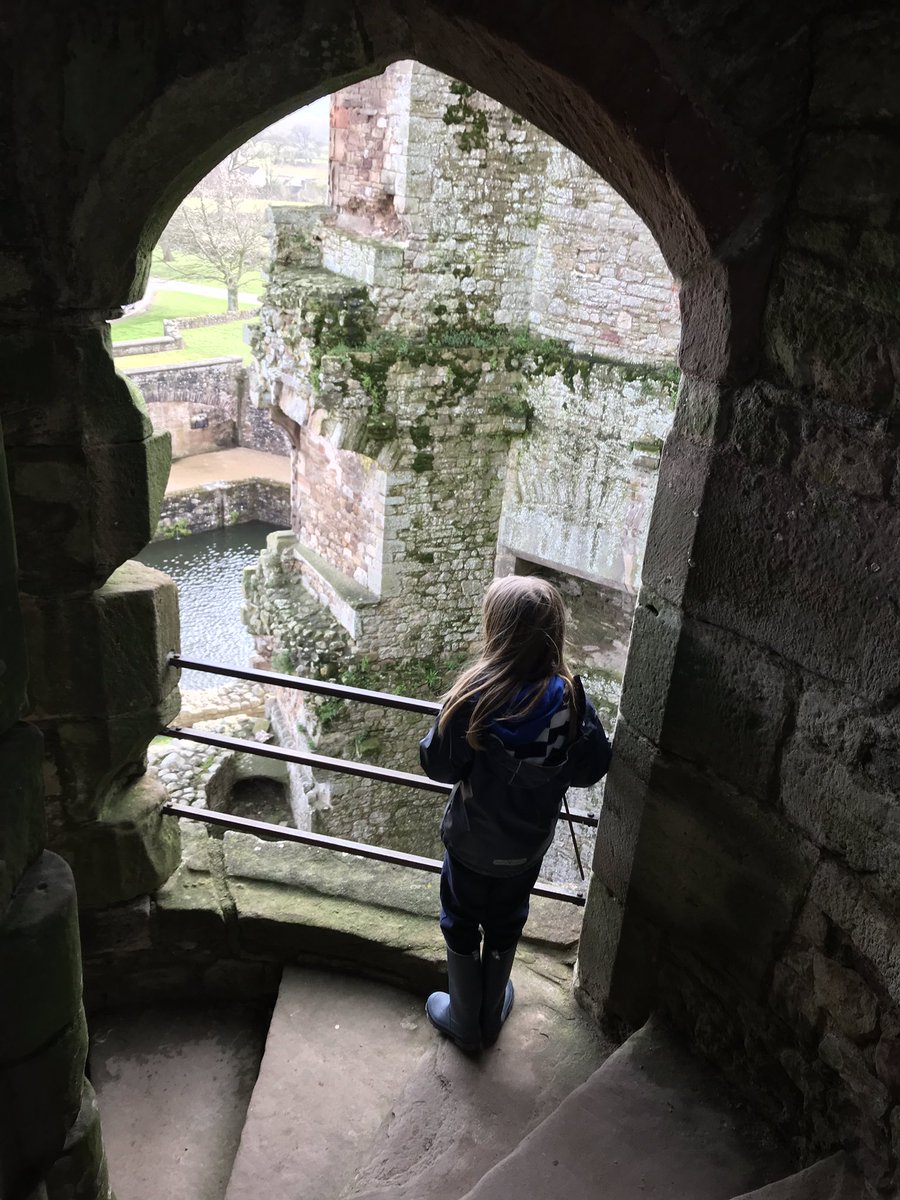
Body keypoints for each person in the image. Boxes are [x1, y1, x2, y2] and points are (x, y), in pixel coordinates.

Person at [419, 575, 612, 1053]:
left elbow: (438, 765)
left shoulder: (474, 697)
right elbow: (592, 768)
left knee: (460, 919)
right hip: (527, 847)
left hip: (469, 844)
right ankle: (492, 1005)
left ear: (496, 630)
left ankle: (465, 1016)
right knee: (508, 918)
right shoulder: (570, 700)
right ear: (555, 632)